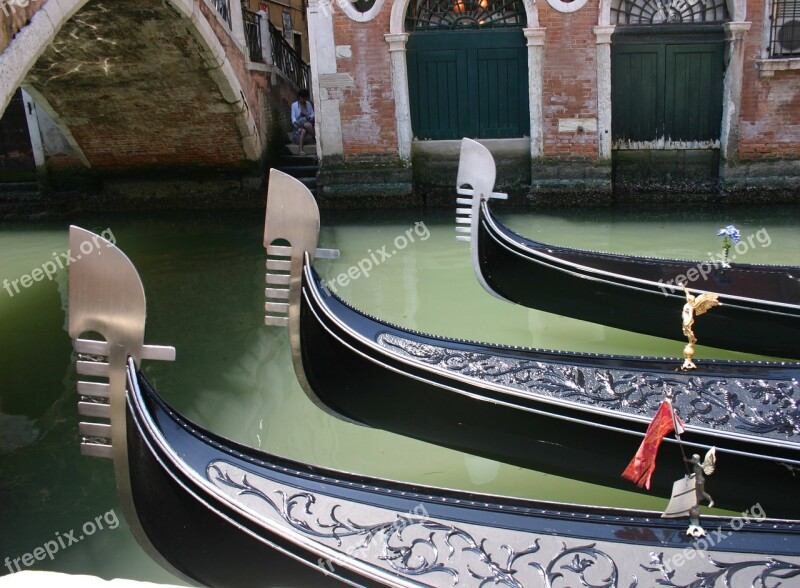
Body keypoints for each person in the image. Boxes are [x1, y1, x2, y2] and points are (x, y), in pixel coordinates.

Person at [291, 89, 315, 155]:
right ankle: (301, 149)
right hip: (298, 125)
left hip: (308, 123)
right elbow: (293, 118)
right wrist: (296, 124)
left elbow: (313, 114)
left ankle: (300, 149)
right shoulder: (294, 105)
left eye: (305, 98)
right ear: (299, 97)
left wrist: (309, 116)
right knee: (303, 130)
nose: (304, 100)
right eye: (303, 98)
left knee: (307, 125)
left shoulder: (308, 104)